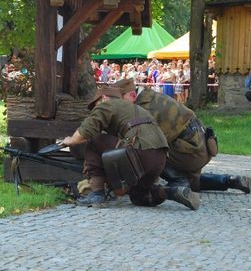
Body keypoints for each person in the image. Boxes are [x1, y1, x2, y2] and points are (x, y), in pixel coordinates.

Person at [62, 87, 200, 210]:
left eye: (95, 105)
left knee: (94, 141)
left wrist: (71, 140)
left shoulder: (107, 104)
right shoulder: (136, 109)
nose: (94, 109)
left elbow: (87, 129)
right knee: (138, 196)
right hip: (161, 157)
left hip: (140, 150)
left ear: (104, 97)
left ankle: (96, 193)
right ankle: (171, 191)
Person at [114, 78, 251, 194]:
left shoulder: (145, 109)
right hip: (201, 146)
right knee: (194, 182)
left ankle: (178, 180)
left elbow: (146, 144)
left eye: (119, 100)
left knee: (148, 152)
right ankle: (232, 180)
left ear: (132, 96)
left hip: (190, 149)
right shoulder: (152, 97)